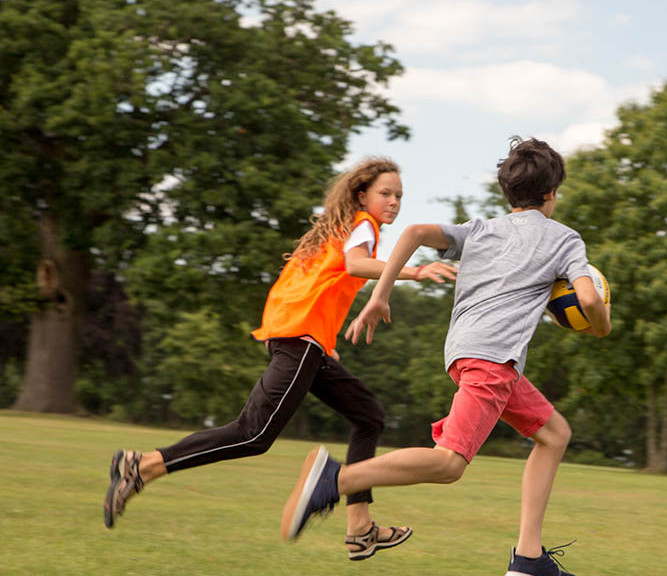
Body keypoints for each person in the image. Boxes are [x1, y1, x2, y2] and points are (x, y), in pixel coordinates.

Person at [280, 137, 612, 576]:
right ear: (552, 193)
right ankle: (335, 480)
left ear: (508, 192)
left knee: (554, 434)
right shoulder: (565, 240)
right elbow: (587, 297)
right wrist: (602, 323)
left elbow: (415, 233)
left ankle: (529, 557)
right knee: (449, 463)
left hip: (469, 354)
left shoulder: (481, 229)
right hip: (492, 361)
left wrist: (380, 295)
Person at [104, 157, 457, 561]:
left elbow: (314, 284)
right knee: (252, 434)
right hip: (300, 343)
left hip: (306, 343)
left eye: (398, 196)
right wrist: (414, 272)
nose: (393, 202)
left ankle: (360, 529)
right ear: (362, 195)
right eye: (386, 194)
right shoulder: (363, 225)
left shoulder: (338, 228)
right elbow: (355, 264)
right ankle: (143, 465)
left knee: (369, 415)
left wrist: (322, 337)